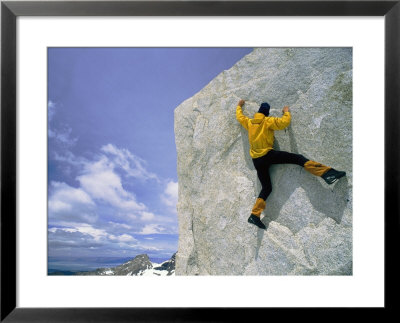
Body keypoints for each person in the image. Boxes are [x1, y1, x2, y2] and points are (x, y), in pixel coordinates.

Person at [236, 99, 346, 230]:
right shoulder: (268, 121)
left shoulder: (249, 122)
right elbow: (284, 123)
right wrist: (286, 112)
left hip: (257, 161)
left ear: (258, 112)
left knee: (266, 188)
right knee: (298, 159)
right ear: (266, 113)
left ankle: (254, 214)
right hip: (268, 155)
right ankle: (327, 173)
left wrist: (239, 106)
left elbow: (239, 116)